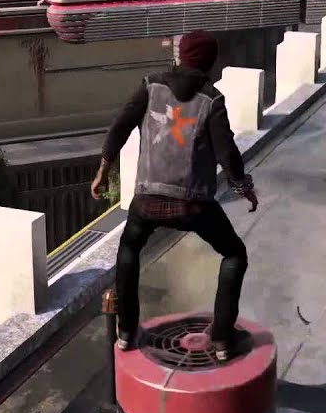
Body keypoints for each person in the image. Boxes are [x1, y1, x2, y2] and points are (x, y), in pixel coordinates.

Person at [91, 30, 259, 361]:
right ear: (209, 62)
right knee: (234, 254)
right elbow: (227, 154)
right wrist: (245, 189)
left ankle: (126, 332)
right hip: (193, 205)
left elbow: (120, 126)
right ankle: (222, 340)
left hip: (147, 201)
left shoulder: (150, 86)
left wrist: (103, 171)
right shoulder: (212, 100)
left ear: (181, 56)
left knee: (129, 248)